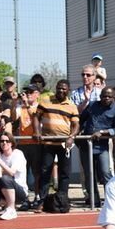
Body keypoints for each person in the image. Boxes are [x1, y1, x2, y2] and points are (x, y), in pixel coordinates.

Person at [33, 79, 79, 210]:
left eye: (64, 89)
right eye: (59, 88)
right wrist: (36, 131)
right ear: (56, 88)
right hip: (47, 142)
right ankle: (41, 201)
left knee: (65, 173)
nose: (61, 90)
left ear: (68, 90)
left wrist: (72, 136)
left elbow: (76, 125)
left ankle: (62, 201)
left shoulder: (71, 105)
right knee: (45, 172)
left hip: (64, 144)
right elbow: (36, 117)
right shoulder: (45, 101)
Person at [80, 86, 115, 207]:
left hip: (102, 147)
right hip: (86, 145)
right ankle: (94, 200)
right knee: (89, 174)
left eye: (109, 96)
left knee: (106, 173)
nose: (106, 98)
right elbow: (81, 119)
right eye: (104, 96)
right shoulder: (92, 105)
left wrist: (103, 132)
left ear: (113, 98)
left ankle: (112, 198)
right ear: (100, 96)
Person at [0, 132, 28, 220]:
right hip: (4, 189)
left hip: (20, 191)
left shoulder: (18, 154)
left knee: (6, 178)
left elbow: (12, 173)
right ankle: (10, 203)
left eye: (7, 141)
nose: (4, 143)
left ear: (11, 143)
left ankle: (11, 209)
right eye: (2, 141)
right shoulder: (0, 157)